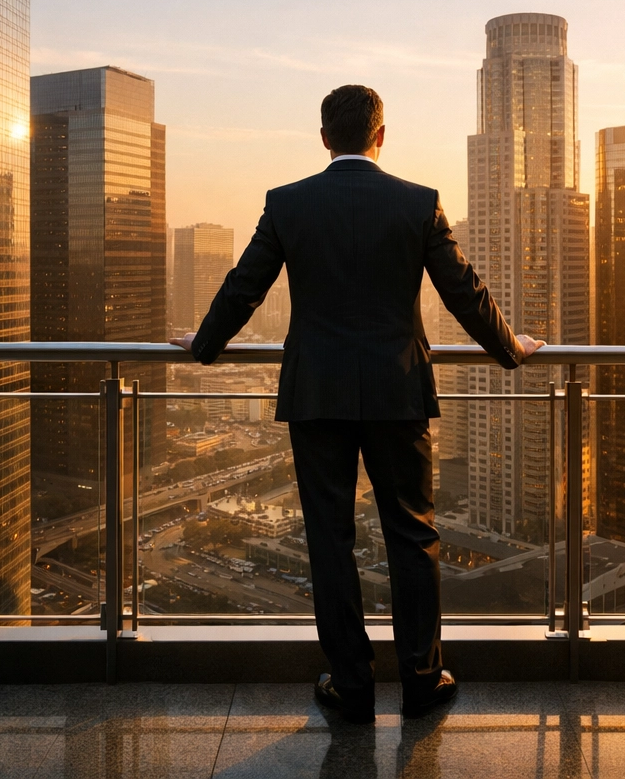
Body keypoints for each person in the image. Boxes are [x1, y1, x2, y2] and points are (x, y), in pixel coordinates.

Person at [172, 84, 541, 724]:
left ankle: (351, 685)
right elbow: (463, 292)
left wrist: (203, 346)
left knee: (329, 540)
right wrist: (513, 347)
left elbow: (244, 288)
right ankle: (424, 681)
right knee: (413, 538)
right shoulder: (418, 203)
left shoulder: (287, 204)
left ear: (323, 138)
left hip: (318, 395)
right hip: (398, 392)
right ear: (381, 136)